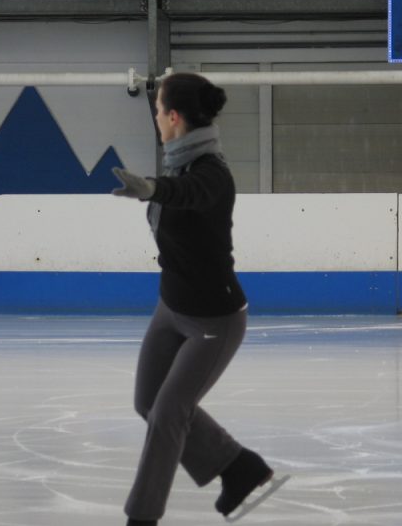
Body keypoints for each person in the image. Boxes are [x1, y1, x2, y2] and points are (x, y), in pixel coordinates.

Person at [111, 73, 274, 526]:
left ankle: (141, 518)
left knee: (168, 413)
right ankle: (239, 467)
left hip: (214, 321)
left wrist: (152, 189)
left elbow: (189, 195)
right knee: (148, 401)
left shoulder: (211, 174)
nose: (157, 119)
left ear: (175, 117)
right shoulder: (180, 163)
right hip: (171, 308)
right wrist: (157, 187)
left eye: (159, 111)